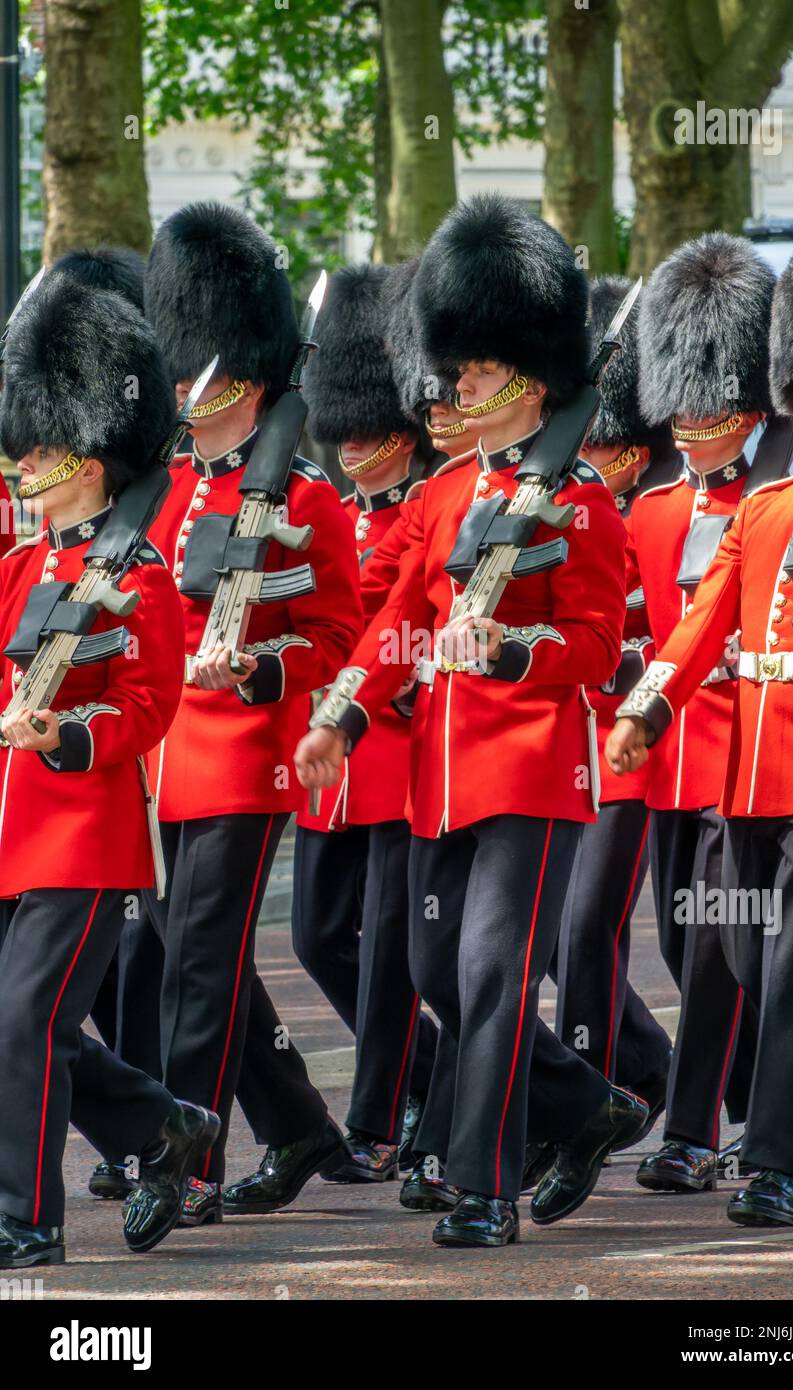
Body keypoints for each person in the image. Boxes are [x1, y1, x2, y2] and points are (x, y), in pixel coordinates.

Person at [294, 193, 647, 1248]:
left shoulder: (579, 503)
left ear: (525, 379)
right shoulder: (446, 497)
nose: (453, 387)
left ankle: (482, 1187)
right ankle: (585, 1106)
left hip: (533, 771)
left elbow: (591, 651)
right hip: (438, 775)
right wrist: (342, 717)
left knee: (490, 973)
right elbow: (392, 620)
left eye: (474, 371)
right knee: (436, 974)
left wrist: (501, 648)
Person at [608, 221, 793, 1226]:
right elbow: (698, 623)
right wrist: (644, 705)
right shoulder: (765, 508)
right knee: (737, 959)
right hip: (746, 770)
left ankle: (777, 1165)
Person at [127, 201, 363, 1227]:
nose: (185, 389)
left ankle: (184, 1163)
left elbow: (337, 637)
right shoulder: (159, 488)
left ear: (250, 381)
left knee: (195, 959)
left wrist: (261, 668)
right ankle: (300, 1124)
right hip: (161, 755)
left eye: (202, 372)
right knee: (189, 949)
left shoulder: (306, 502)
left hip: (246, 755)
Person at [0, 273, 219, 1268]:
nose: (24, 462)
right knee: (29, 1025)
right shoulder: (15, 572)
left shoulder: (137, 576)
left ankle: (26, 1218)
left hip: (85, 833)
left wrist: (65, 731)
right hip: (11, 836)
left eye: (40, 450)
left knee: (21, 1023)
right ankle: (163, 1127)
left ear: (86, 460)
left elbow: (147, 707)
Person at [230, 261, 439, 1194]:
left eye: (373, 432)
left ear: (402, 433)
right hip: (332, 763)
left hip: (394, 750)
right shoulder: (333, 514)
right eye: (343, 431)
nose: (355, 448)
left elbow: (402, 622)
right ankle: (442, 1077)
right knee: (318, 937)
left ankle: (377, 1121)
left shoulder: (426, 513)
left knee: (395, 950)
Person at [615, 234, 774, 1194]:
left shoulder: (774, 495)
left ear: (746, 407)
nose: (687, 420)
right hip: (669, 755)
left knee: (723, 945)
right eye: (679, 402)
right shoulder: (653, 509)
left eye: (707, 405)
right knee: (685, 941)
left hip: (750, 750)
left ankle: (690, 1130)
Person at [553, 275, 674, 1145]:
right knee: (564, 935)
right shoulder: (574, 502)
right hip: (571, 741)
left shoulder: (659, 512)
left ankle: (585, 1096)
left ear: (629, 450)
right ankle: (643, 1074)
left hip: (637, 746)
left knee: (591, 925)